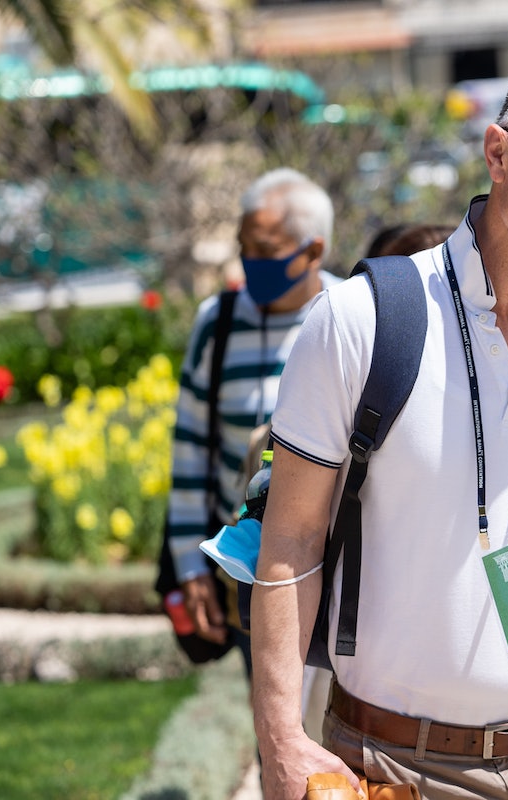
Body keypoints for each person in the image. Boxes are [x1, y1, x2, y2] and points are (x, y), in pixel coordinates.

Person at [250, 54, 508, 799]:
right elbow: (291, 541)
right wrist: (280, 740)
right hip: (400, 764)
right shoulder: (362, 319)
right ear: (498, 153)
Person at [165, 167, 341, 672]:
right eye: (245, 248)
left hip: (335, 567)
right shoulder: (215, 323)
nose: (250, 263)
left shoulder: (350, 314)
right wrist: (189, 564)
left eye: (266, 251)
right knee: (275, 727)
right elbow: (190, 447)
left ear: (312, 251)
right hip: (246, 567)